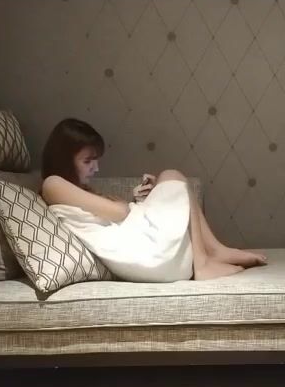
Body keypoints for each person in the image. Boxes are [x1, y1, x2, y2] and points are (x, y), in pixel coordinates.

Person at [39, 118, 268, 282]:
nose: (96, 168)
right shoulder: (53, 184)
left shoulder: (76, 189)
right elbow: (119, 212)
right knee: (172, 176)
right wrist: (127, 206)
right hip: (146, 257)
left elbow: (113, 215)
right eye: (88, 161)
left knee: (172, 180)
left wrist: (137, 201)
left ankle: (214, 251)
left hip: (143, 250)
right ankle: (204, 261)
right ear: (65, 159)